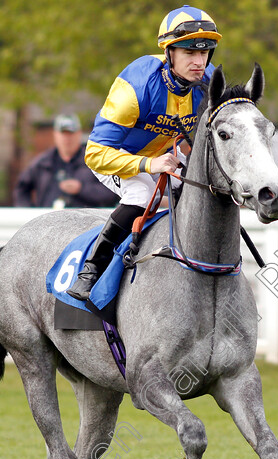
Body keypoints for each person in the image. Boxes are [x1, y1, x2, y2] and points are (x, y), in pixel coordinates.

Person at [66, 5, 220, 301]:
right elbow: (94, 154)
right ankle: (91, 271)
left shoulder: (207, 84)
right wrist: (149, 164)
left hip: (163, 154)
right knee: (140, 195)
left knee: (202, 192)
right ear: (169, 53)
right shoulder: (134, 88)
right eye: (189, 53)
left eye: (204, 53)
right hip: (116, 156)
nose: (198, 62)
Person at [13, 114, 117, 208]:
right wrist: (29, 213)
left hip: (86, 223)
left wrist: (81, 189)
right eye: (63, 134)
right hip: (48, 223)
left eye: (71, 134)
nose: (67, 139)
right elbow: (21, 189)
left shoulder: (95, 161)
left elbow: (113, 193)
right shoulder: (43, 163)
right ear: (55, 135)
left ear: (79, 134)